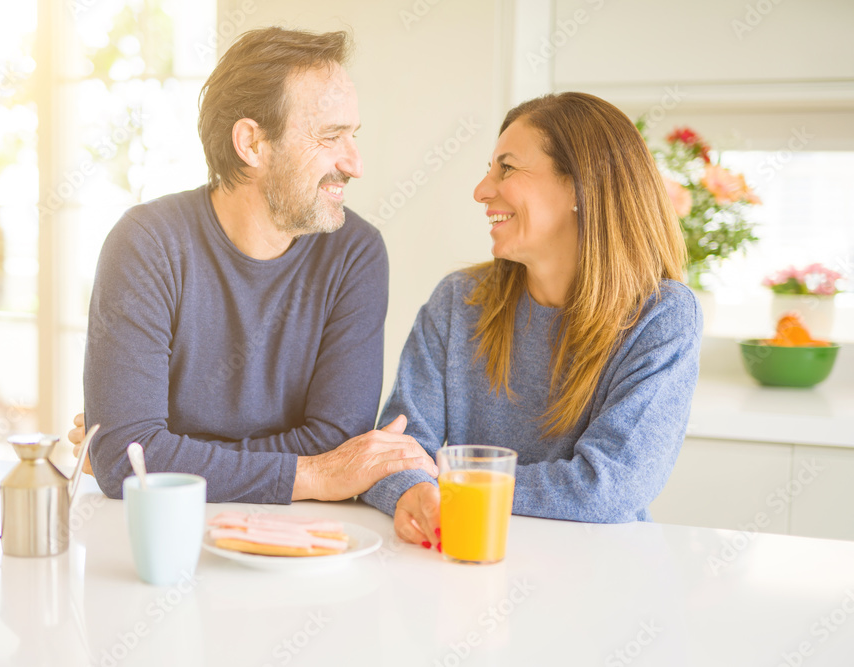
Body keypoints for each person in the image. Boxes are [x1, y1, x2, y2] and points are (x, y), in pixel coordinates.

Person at [76, 27, 437, 502]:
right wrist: (314, 475)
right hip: (166, 537)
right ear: (251, 144)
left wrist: (169, 453)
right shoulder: (146, 243)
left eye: (353, 135)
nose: (355, 164)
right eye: (331, 136)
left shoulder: (355, 252)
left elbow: (336, 442)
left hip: (305, 542)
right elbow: (125, 458)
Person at [359, 92, 702, 550]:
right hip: (466, 561)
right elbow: (394, 452)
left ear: (580, 187)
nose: (481, 190)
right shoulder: (459, 302)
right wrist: (414, 492)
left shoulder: (662, 317)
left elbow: (607, 487)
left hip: (601, 577)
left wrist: (449, 484)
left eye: (507, 168)